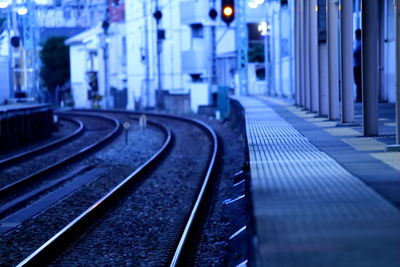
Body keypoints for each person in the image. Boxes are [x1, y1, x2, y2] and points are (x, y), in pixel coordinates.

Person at [353, 29, 362, 102]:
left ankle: (359, 97)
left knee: (358, 82)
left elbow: (355, 52)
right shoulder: (356, 42)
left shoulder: (360, 43)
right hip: (356, 64)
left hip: (359, 65)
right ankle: (359, 97)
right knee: (357, 82)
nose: (355, 36)